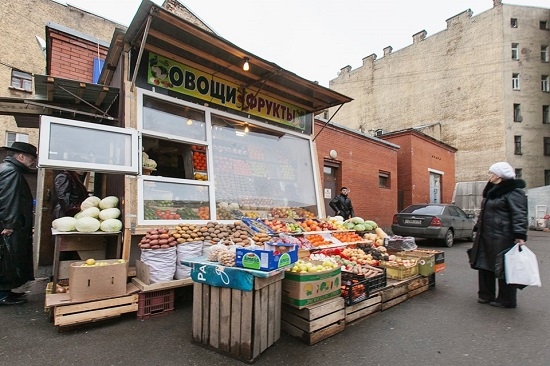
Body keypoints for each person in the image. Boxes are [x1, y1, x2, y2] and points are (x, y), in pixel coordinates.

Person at [468, 162, 528, 309]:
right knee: (484, 264)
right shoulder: (493, 191)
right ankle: (485, 294)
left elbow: (519, 214)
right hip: (486, 234)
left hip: (503, 236)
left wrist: (520, 235)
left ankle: (507, 299)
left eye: (492, 173)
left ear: (499, 175)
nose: (490, 176)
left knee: (503, 267)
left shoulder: (514, 192)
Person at [0, 142, 37, 305]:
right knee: (7, 260)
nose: (33, 162)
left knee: (7, 259)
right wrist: (9, 224)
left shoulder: (9, 169)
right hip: (9, 226)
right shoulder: (11, 172)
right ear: (21, 157)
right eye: (31, 158)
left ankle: (6, 291)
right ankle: (2, 294)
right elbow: (8, 199)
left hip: (10, 224)